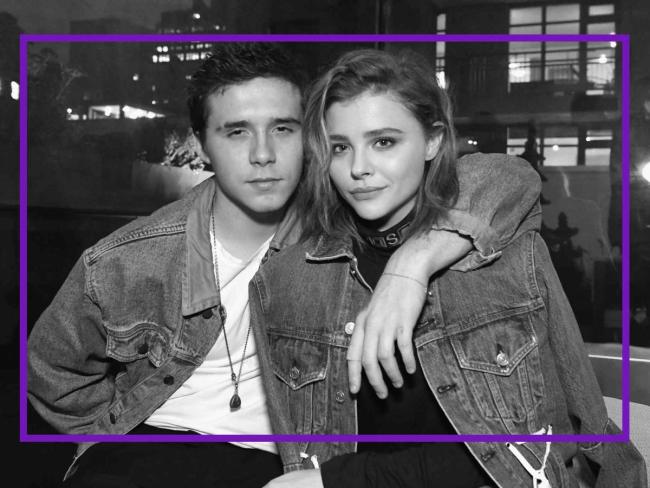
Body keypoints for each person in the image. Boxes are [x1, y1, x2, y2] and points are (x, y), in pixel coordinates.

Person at [29, 43, 543, 488]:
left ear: (310, 139)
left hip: (280, 462)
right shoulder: (129, 259)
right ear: (202, 144)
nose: (263, 154)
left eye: (282, 128)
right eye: (236, 132)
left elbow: (507, 177)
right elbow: (51, 373)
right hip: (143, 447)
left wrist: (411, 263)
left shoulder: (342, 223)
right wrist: (108, 435)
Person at [250, 49, 648, 488]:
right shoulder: (287, 281)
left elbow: (561, 437)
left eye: (384, 142)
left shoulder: (511, 257)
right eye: (340, 147)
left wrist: (351, 479)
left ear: (433, 141)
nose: (358, 168)